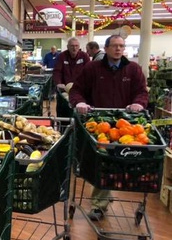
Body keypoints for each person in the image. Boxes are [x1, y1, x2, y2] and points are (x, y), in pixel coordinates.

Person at [69, 35, 148, 221]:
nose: (118, 49)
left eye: (121, 46)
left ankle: (106, 191)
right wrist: (79, 102)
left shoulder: (133, 69)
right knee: (102, 160)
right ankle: (99, 204)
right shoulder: (92, 68)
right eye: (114, 46)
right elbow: (76, 90)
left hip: (126, 125)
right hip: (99, 124)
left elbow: (141, 92)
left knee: (118, 161)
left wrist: (138, 103)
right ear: (106, 48)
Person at [53, 37, 90, 117]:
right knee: (63, 111)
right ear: (67, 47)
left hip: (80, 90)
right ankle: (62, 124)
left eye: (76, 46)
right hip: (64, 89)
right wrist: (58, 83)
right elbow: (57, 71)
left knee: (80, 112)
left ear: (79, 46)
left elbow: (89, 71)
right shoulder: (62, 56)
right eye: (72, 46)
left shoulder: (84, 56)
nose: (74, 48)